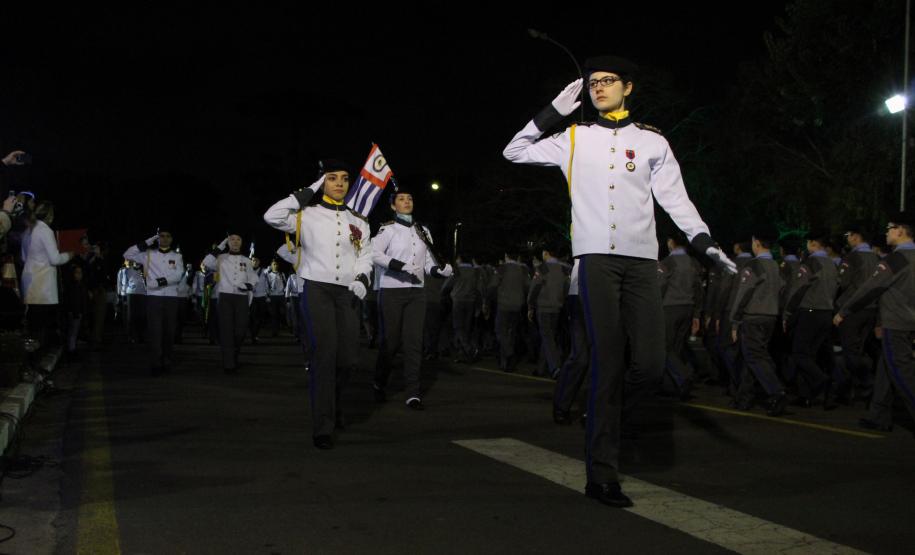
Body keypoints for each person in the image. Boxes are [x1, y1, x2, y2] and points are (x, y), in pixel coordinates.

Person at [503, 55, 735, 508]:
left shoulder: (652, 142)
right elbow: (514, 150)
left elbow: (676, 199)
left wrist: (704, 241)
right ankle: (602, 472)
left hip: (642, 262)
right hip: (596, 262)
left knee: (649, 364)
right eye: (592, 84)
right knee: (606, 364)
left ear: (628, 87)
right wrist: (553, 112)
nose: (599, 88)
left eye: (608, 81)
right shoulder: (573, 137)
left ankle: (606, 416)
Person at [264, 160, 372, 449]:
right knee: (325, 354)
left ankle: (332, 403)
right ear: (322, 183)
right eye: (332, 178)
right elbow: (271, 216)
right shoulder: (306, 214)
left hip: (347, 291)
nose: (339, 183)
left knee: (348, 358)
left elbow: (365, 255)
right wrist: (308, 190)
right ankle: (323, 425)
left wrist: (362, 277)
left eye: (344, 179)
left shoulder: (359, 221)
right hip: (317, 289)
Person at [370, 188, 452, 410]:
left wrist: (439, 271)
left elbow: (427, 265)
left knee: (415, 342)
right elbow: (374, 253)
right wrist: (399, 265)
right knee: (392, 342)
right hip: (392, 290)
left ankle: (413, 393)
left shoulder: (422, 230)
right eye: (401, 199)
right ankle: (379, 382)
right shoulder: (387, 230)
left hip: (417, 291)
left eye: (410, 198)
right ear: (393, 205)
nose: (407, 202)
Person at [835, 216, 915, 434]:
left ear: (901, 231)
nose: (887, 232)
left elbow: (870, 287)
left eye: (890, 228)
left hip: (896, 323)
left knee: (902, 372)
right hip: (907, 321)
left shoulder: (897, 259)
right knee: (886, 369)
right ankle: (878, 415)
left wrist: (845, 310)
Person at [728, 228, 788, 415]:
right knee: (752, 357)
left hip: (753, 316)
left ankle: (776, 391)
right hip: (770, 316)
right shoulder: (777, 266)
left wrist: (734, 320)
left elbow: (743, 294)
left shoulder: (753, 266)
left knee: (755, 357)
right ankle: (743, 398)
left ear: (756, 242)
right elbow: (783, 289)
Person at [783, 231, 839, 408]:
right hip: (826, 312)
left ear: (813, 243)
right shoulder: (831, 263)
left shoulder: (811, 262)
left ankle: (820, 380)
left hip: (809, 311)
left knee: (799, 353)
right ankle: (806, 395)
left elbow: (798, 289)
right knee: (810, 355)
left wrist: (788, 312)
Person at [123, 227, 185, 375]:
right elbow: (127, 254)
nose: (164, 238)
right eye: (161, 236)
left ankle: (167, 360)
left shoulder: (177, 257)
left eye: (167, 236)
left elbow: (178, 275)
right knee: (155, 331)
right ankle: (156, 363)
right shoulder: (148, 254)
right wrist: (148, 240)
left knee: (169, 332)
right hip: (153, 297)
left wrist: (159, 282)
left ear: (171, 239)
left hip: (170, 297)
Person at [21, 200, 73, 350]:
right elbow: (55, 259)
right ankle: (40, 361)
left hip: (29, 283)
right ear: (50, 215)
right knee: (45, 328)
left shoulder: (28, 230)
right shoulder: (45, 230)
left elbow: (24, 257)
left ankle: (30, 361)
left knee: (32, 326)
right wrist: (69, 255)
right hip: (43, 286)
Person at [203, 233, 258, 373]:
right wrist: (220, 246)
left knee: (240, 330)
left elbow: (253, 277)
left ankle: (233, 353)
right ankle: (229, 363)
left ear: (241, 243)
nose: (235, 242)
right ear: (228, 242)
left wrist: (249, 285)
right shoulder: (220, 258)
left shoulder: (246, 260)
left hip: (241, 297)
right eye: (232, 239)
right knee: (226, 330)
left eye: (238, 239)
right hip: (225, 296)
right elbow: (206, 262)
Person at [528, 246, 570, 378]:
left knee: (547, 337)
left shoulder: (542, 268)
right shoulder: (564, 269)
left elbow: (534, 288)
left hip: (544, 307)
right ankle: (541, 368)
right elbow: (567, 288)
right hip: (557, 307)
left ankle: (555, 367)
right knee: (549, 337)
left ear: (546, 253)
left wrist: (530, 306)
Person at [489, 250, 530, 372]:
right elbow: (528, 286)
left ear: (506, 256)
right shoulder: (524, 269)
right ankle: (506, 364)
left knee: (500, 331)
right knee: (511, 334)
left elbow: (493, 285)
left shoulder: (502, 268)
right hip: (518, 306)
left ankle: (509, 354)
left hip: (504, 305)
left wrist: (487, 300)